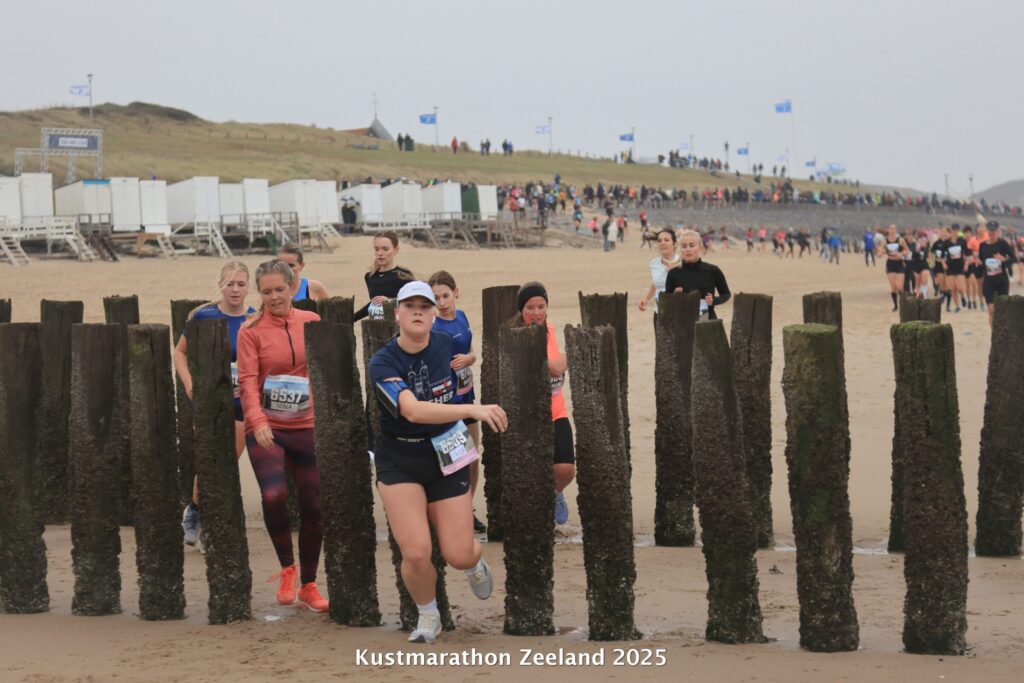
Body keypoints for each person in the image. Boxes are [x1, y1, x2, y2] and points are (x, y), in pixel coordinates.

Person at [370, 281, 507, 643]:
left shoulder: (446, 343)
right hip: (400, 458)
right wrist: (473, 410)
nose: (418, 311)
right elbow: (412, 411)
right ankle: (428, 614)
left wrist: (469, 397)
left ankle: (474, 563)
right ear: (397, 313)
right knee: (416, 553)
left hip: (448, 449)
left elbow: (465, 369)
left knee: (458, 554)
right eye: (410, 305)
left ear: (434, 314)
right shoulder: (382, 362)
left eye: (425, 306)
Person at [236, 259, 328, 612]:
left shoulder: (312, 321)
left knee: (313, 505)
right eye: (266, 291)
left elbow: (323, 371)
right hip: (268, 428)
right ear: (259, 293)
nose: (274, 297)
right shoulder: (250, 331)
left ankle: (309, 584)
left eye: (279, 289)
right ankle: (287, 569)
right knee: (274, 494)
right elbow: (247, 381)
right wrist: (257, 420)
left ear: (292, 288)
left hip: (307, 424)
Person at [173, 261, 256, 548]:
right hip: (209, 401)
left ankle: (206, 518)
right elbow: (179, 353)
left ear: (248, 287)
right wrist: (188, 382)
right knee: (209, 463)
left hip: (240, 403)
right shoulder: (203, 316)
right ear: (220, 285)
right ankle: (197, 514)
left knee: (227, 464)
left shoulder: (255, 319)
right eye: (230, 283)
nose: (235, 289)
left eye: (241, 284)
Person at [428, 270, 485, 534]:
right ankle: (451, 513)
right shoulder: (433, 327)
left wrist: (470, 359)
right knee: (454, 461)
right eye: (435, 298)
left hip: (468, 396)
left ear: (456, 292)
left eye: (445, 295)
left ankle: (467, 509)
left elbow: (470, 351)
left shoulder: (461, 317)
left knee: (473, 459)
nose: (441, 302)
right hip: (447, 403)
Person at [517, 282, 576, 525]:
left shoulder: (549, 328)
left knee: (565, 469)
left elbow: (556, 365)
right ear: (521, 310)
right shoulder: (516, 334)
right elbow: (556, 367)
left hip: (556, 410)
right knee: (531, 472)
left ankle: (556, 493)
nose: (536, 313)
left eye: (541, 306)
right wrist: (574, 348)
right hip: (526, 414)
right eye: (530, 307)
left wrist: (562, 360)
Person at [663, 229, 732, 320]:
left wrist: (715, 300)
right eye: (684, 246)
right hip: (681, 322)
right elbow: (666, 301)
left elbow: (726, 294)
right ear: (680, 249)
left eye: (692, 245)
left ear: (700, 247)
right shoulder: (673, 273)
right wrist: (674, 296)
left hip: (707, 321)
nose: (688, 249)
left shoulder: (712, 270)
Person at [354, 231, 415, 321]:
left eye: (385, 249)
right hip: (375, 326)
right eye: (376, 249)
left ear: (396, 250)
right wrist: (353, 318)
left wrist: (390, 302)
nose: (380, 253)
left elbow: (414, 302)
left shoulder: (403, 275)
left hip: (399, 326)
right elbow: (374, 304)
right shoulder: (370, 276)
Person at [637, 228, 681, 329]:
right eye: (659, 240)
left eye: (666, 240)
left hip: (680, 313)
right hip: (659, 312)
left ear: (674, 244)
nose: (662, 243)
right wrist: (646, 299)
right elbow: (656, 283)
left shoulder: (682, 262)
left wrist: (674, 272)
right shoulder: (654, 263)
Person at [978, 221, 1014, 326]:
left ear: (998, 231)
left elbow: (1014, 258)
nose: (991, 232)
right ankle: (994, 332)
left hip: (1002, 280)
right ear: (987, 231)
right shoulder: (982, 246)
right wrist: (977, 263)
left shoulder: (1003, 244)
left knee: (1003, 310)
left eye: (993, 231)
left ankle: (1001, 331)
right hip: (989, 281)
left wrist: (1004, 259)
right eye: (990, 230)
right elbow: (982, 261)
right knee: (991, 310)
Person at [882, 224, 910, 311]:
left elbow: (907, 251)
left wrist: (901, 254)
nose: (892, 230)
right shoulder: (885, 241)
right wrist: (882, 252)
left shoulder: (900, 240)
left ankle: (903, 305)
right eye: (891, 229)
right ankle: (895, 305)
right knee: (893, 287)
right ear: (888, 230)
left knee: (900, 287)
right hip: (890, 264)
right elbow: (879, 251)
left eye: (894, 229)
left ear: (896, 230)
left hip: (899, 263)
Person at [944, 224, 969, 313]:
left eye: (956, 230)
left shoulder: (962, 241)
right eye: (953, 230)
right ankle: (958, 306)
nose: (955, 232)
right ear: (951, 231)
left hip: (960, 266)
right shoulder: (946, 242)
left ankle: (963, 296)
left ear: (958, 231)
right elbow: (941, 255)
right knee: (953, 288)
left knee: (960, 287)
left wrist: (966, 264)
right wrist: (943, 264)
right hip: (950, 267)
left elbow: (967, 254)